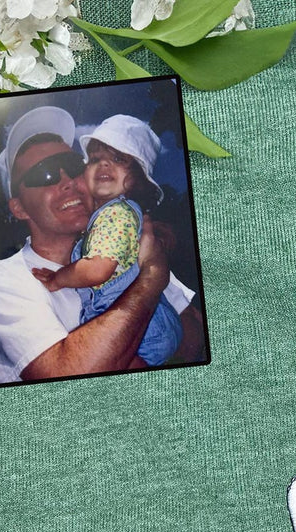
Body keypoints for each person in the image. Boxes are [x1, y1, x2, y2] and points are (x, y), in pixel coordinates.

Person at [0, 105, 204, 384]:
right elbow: (68, 375)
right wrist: (150, 281)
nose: (67, 181)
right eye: (44, 174)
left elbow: (193, 336)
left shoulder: (124, 242)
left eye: (72, 166)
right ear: (19, 208)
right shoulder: (0, 281)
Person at [30, 115, 183, 369]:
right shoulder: (109, 216)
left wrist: (58, 279)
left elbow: (98, 268)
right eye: (94, 159)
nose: (103, 164)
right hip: (149, 324)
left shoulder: (116, 214)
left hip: (145, 330)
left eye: (119, 159)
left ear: (138, 178)